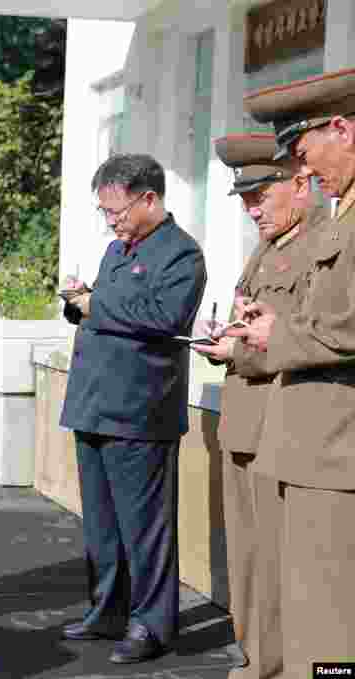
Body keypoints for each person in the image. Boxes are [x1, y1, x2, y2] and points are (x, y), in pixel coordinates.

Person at [224, 67, 355, 674]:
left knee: (330, 630)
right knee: (308, 616)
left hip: (336, 447)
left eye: (305, 156)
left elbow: (344, 327)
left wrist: (278, 333)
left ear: (341, 128)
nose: (306, 170)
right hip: (310, 444)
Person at [59, 153, 206, 663]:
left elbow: (165, 317)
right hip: (95, 404)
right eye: (104, 212)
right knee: (102, 526)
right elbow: (106, 309)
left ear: (149, 198)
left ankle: (152, 625)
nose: (111, 220)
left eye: (116, 210)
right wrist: (81, 298)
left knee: (145, 529)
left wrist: (95, 305)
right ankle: (109, 611)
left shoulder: (181, 255)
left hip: (141, 412)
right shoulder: (118, 251)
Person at [191, 133, 327, 679]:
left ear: (299, 182)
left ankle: (290, 667)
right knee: (249, 565)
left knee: (283, 566)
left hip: (282, 426)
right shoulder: (268, 247)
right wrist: (225, 330)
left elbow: (309, 340)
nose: (251, 210)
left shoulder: (323, 243)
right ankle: (261, 662)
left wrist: (238, 350)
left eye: (259, 196)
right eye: (243, 199)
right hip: (245, 425)